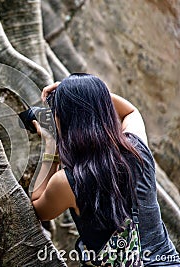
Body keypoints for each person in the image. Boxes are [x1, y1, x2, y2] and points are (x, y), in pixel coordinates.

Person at [30, 73, 179, 266]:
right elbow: (130, 112)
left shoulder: (68, 181)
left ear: (64, 120)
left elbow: (38, 209)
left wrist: (51, 148)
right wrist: (90, 94)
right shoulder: (136, 149)